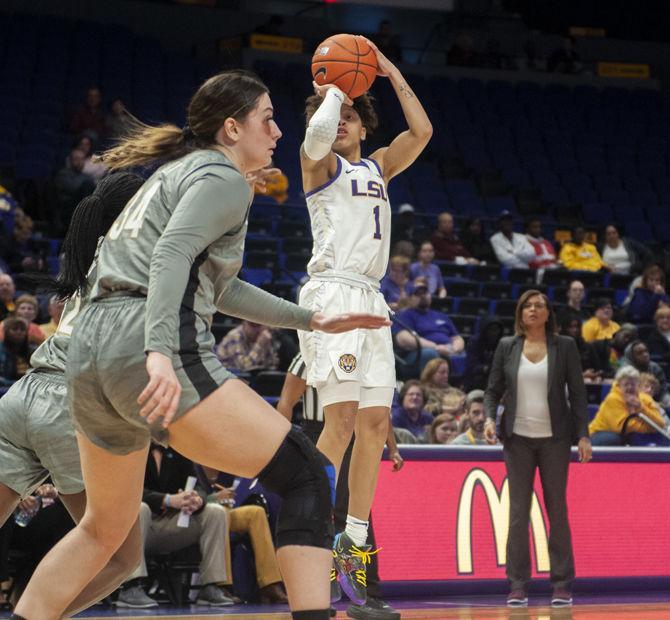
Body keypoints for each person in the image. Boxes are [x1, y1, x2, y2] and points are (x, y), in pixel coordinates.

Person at [14, 70, 391, 620]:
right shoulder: (222, 178)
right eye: (268, 119)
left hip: (89, 352)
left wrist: (308, 319)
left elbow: (218, 285)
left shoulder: (177, 172)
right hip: (144, 339)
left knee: (103, 531)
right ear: (232, 128)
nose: (280, 133)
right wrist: (160, 353)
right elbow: (170, 257)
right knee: (307, 474)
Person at [297, 37, 431, 606]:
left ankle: (351, 554)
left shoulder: (377, 166)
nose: (343, 118)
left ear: (365, 124)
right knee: (343, 419)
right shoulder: (318, 163)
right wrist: (333, 89)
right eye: (337, 113)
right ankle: (301, 524)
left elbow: (421, 133)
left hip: (373, 302)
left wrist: (391, 72)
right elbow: (315, 136)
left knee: (375, 426)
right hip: (331, 295)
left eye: (353, 111)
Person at [0, 173, 145, 616]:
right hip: (71, 403)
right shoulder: (145, 253)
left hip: (22, 396)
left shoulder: (91, 248)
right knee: (121, 554)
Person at [483, 289, 592, 608]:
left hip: (556, 439)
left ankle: (561, 584)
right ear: (520, 313)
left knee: (556, 511)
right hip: (517, 440)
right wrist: (490, 419)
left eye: (539, 305)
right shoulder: (507, 347)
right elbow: (492, 390)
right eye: (527, 305)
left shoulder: (565, 346)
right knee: (518, 513)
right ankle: (517, 584)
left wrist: (583, 435)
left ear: (548, 313)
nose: (533, 309)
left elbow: (579, 394)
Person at [276, 352, 402, 620]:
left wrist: (391, 446)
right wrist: (282, 445)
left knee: (358, 515)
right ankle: (318, 594)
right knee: (322, 514)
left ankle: (368, 595)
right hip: (317, 434)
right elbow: (286, 403)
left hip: (354, 433)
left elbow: (376, 407)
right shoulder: (306, 356)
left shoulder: (360, 353)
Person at [115, 446, 234, 608]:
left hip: (172, 524)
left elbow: (199, 486)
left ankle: (210, 586)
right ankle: (131, 586)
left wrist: (196, 499)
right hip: (138, 529)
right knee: (139, 508)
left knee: (215, 512)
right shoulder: (130, 448)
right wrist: (168, 499)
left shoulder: (178, 450)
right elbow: (128, 491)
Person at [588, 366, 669, 445]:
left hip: (625, 435)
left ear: (638, 385)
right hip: (597, 434)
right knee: (615, 439)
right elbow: (622, 427)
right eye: (626, 384)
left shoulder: (644, 398)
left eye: (633, 384)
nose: (630, 387)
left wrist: (641, 408)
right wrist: (652, 427)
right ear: (619, 385)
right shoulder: (613, 398)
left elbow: (660, 422)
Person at [394, 280, 464, 370]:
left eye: (425, 292)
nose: (423, 295)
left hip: (448, 350)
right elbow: (403, 338)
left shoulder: (442, 316)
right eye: (418, 294)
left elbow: (457, 338)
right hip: (421, 353)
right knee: (430, 354)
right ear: (410, 299)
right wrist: (436, 347)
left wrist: (453, 349)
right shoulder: (405, 315)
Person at [622, 340, 670, 406]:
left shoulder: (655, 368)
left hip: (657, 404)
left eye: (646, 351)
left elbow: (663, 391)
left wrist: (667, 401)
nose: (645, 355)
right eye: (639, 353)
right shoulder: (626, 372)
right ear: (632, 357)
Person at [463, 316, 504, 391]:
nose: (494, 333)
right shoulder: (474, 342)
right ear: (485, 330)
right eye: (491, 330)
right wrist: (485, 368)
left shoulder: (501, 343)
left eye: (497, 330)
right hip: (475, 379)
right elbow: (471, 366)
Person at [0, 318, 35, 386]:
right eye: (15, 329)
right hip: (6, 388)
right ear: (6, 332)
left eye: (22, 329)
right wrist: (18, 385)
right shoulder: (1, 350)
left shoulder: (32, 350)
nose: (19, 332)